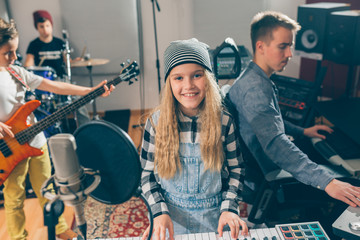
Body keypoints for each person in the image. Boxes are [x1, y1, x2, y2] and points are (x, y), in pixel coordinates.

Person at [227, 10, 360, 229]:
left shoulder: (251, 77)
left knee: (322, 157)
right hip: (269, 176)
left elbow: (269, 123)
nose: (290, 54)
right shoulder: (256, 92)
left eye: (290, 46)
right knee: (350, 185)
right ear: (260, 46)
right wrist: (327, 182)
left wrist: (303, 131)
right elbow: (277, 145)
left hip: (259, 168)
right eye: (283, 46)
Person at [0, 17, 114, 240]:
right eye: (7, 53)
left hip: (36, 141)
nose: (14, 57)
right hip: (10, 150)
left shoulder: (16, 72)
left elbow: (53, 86)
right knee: (14, 199)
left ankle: (61, 229)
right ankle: (18, 237)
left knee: (48, 190)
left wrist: (90, 91)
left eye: (15, 51)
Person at [140, 38, 248, 240]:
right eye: (178, 78)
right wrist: (158, 211)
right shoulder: (155, 123)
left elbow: (237, 169)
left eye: (197, 75)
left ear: (208, 78)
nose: (188, 85)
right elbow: (146, 175)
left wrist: (229, 208)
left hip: (215, 219)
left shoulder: (224, 121)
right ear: (169, 82)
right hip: (169, 221)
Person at [24, 10, 90, 127]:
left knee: (79, 100)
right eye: (41, 26)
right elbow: (28, 63)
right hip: (43, 83)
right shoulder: (34, 44)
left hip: (61, 79)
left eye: (47, 26)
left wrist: (74, 62)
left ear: (52, 25)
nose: (45, 29)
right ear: (37, 28)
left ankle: (87, 128)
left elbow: (66, 62)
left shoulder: (59, 43)